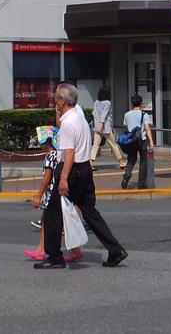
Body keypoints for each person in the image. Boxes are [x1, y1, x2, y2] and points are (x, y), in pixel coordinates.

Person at [35, 82, 127, 269]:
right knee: (90, 212)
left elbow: (68, 153)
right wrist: (58, 113)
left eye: (56, 99)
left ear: (62, 101)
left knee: (52, 212)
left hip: (71, 170)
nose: (55, 102)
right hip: (85, 169)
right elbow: (62, 124)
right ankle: (115, 250)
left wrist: (63, 178)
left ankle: (54, 257)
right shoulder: (79, 116)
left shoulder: (69, 123)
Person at [25, 125, 82, 263]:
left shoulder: (50, 157)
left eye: (41, 142)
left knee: (55, 221)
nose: (40, 144)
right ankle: (42, 249)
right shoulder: (59, 154)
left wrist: (38, 194)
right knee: (51, 221)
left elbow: (47, 177)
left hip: (52, 193)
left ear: (47, 142)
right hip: (59, 192)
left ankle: (71, 250)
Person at [121, 94, 155, 189]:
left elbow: (127, 126)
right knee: (143, 161)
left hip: (131, 140)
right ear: (141, 103)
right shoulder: (144, 114)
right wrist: (151, 142)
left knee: (131, 159)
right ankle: (141, 184)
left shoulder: (127, 115)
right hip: (142, 140)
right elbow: (147, 129)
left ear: (132, 104)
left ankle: (127, 174)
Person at [90, 86, 125, 171]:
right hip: (105, 128)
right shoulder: (107, 103)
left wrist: (97, 124)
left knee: (95, 145)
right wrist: (102, 124)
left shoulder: (96, 102)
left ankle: (90, 163)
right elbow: (104, 115)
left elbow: (94, 113)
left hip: (97, 127)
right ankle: (121, 162)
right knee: (113, 144)